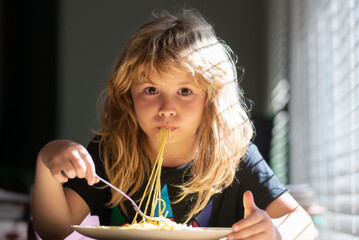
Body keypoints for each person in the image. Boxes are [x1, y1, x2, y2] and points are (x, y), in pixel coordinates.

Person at [32, 9, 314, 240]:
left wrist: (275, 232)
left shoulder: (232, 156)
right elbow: (54, 230)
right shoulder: (111, 151)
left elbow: (302, 224)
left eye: (185, 92)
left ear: (211, 98)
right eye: (151, 90)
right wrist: (46, 163)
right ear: (128, 94)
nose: (167, 110)